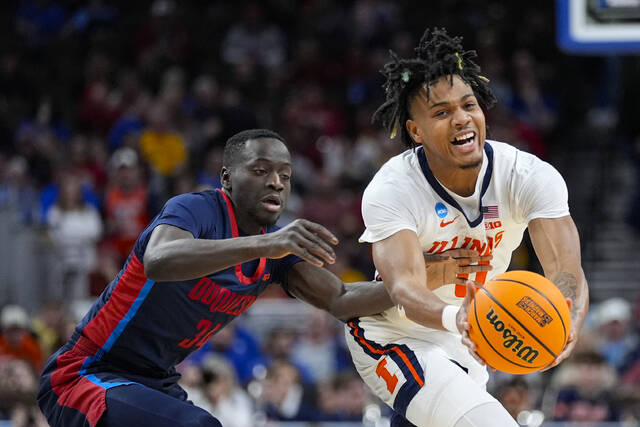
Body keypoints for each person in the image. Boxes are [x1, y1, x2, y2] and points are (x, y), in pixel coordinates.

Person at [37, 128, 393, 427]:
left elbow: (342, 298)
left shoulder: (275, 250)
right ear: (226, 178)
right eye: (260, 170)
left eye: (285, 176)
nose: (275, 182)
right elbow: (159, 260)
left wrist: (424, 279)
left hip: (154, 382)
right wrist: (264, 244)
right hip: (85, 375)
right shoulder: (197, 209)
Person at [344, 28, 589, 427]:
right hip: (392, 337)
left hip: (469, 341)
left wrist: (568, 320)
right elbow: (402, 288)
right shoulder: (392, 188)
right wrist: (454, 317)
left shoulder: (526, 175)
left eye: (468, 105)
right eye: (441, 112)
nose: (461, 119)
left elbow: (566, 268)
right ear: (415, 131)